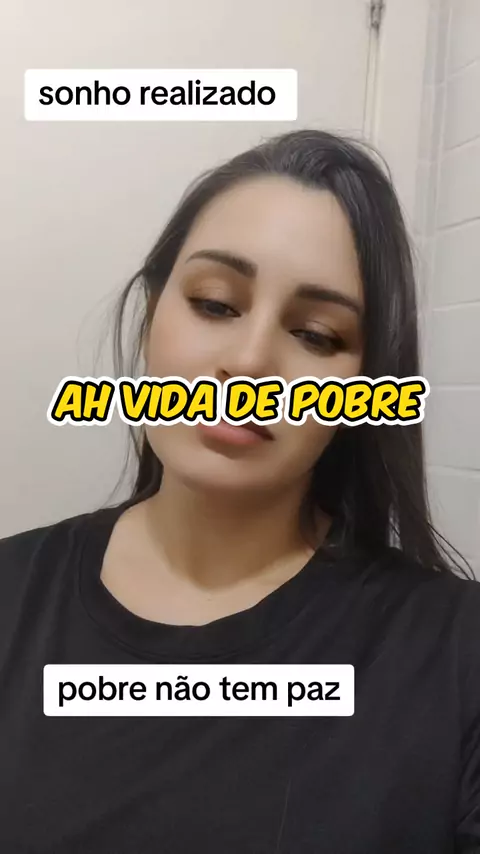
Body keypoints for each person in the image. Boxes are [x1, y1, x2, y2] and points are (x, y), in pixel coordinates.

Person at [0, 129, 479, 854]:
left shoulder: (455, 656)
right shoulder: (12, 597)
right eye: (216, 304)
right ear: (153, 314)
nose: (251, 364)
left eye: (315, 335)